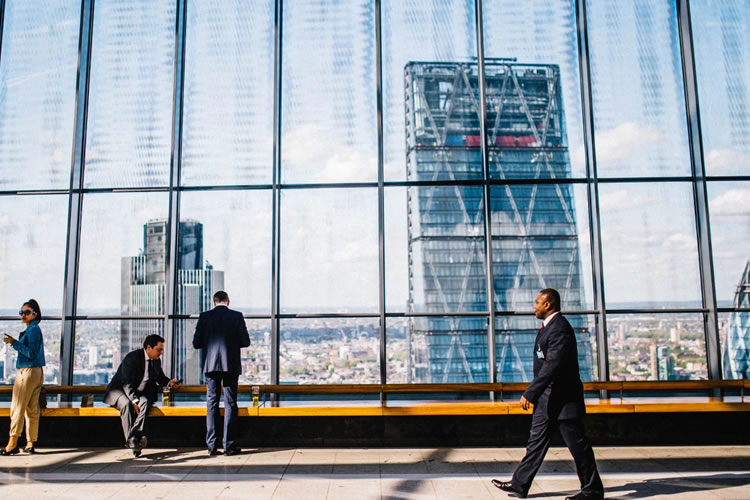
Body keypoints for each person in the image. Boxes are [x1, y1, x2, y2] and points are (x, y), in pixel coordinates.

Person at [492, 288, 604, 500]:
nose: (533, 307)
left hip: (564, 401)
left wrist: (531, 392)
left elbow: (553, 366)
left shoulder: (560, 328)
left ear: (548, 304)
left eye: (537, 303)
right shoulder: (549, 327)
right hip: (548, 400)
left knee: (578, 446)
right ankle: (519, 484)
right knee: (535, 442)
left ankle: (592, 490)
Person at [193, 290, 250, 456]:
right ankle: (229, 445)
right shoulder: (237, 316)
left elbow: (196, 343)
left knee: (211, 403)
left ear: (213, 302)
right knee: (230, 403)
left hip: (211, 366)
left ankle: (211, 445)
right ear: (228, 302)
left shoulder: (204, 317)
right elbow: (245, 342)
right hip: (230, 365)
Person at [104, 334, 180, 457]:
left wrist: (169, 382)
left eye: (161, 350)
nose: (160, 353)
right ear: (149, 348)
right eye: (159, 350)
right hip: (119, 391)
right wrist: (134, 400)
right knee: (126, 404)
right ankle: (135, 442)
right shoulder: (132, 358)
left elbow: (160, 377)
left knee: (145, 403)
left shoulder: (156, 360)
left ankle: (133, 439)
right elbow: (126, 382)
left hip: (139, 393)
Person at [2, 299, 45, 455]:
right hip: (36, 372)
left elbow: (30, 352)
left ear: (35, 314)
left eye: (26, 312)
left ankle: (12, 443)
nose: (23, 315)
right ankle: (30, 442)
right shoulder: (34, 329)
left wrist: (14, 342)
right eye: (21, 312)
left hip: (27, 372)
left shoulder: (33, 330)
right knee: (32, 409)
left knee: (17, 407)